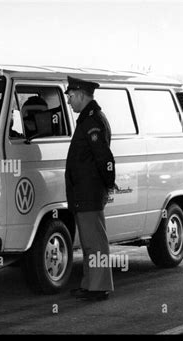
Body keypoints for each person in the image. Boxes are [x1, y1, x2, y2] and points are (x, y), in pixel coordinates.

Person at [64, 76, 116, 301]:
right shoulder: (87, 120)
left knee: (96, 243)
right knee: (88, 243)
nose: (68, 102)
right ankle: (90, 283)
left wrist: (106, 184)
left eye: (71, 96)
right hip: (83, 193)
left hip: (89, 192)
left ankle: (100, 286)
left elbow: (104, 157)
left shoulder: (92, 121)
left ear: (81, 95)